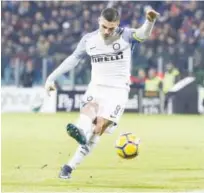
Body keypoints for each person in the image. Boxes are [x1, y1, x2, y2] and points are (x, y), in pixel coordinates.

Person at [45, 7, 159, 179]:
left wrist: (150, 21)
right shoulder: (89, 40)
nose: (107, 31)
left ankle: (70, 165)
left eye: (111, 28)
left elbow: (143, 34)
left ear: (117, 24)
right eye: (104, 26)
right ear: (99, 21)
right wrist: (51, 78)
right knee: (89, 112)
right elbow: (73, 59)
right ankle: (79, 130)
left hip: (118, 91)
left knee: (98, 128)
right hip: (97, 87)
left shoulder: (126, 35)